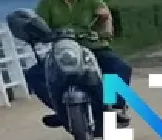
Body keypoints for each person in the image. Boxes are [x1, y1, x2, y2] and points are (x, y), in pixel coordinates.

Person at [25, 0, 132, 129]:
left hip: (93, 46)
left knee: (119, 67)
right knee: (34, 74)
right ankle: (60, 109)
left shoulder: (93, 1)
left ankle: (114, 106)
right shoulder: (47, 3)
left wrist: (105, 26)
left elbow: (106, 17)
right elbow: (38, 25)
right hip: (63, 50)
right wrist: (32, 33)